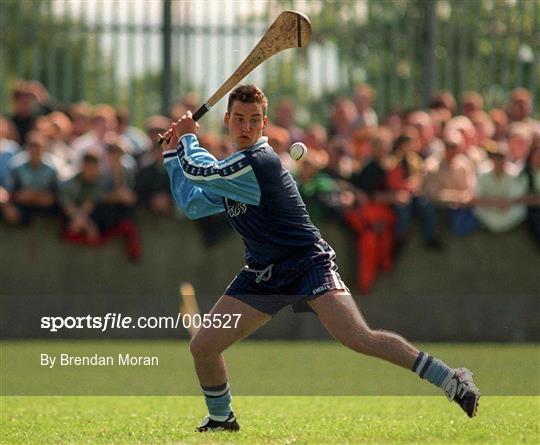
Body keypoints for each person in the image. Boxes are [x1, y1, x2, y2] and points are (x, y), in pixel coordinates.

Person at [161, 85, 480, 432]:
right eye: (238, 119)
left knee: (358, 337)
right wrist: (170, 155)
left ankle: (451, 379)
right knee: (204, 346)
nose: (246, 126)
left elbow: (199, 171)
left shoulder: (257, 163)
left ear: (264, 124)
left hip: (308, 264)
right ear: (227, 120)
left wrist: (188, 139)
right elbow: (192, 202)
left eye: (254, 120)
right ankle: (222, 418)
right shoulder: (232, 173)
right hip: (263, 273)